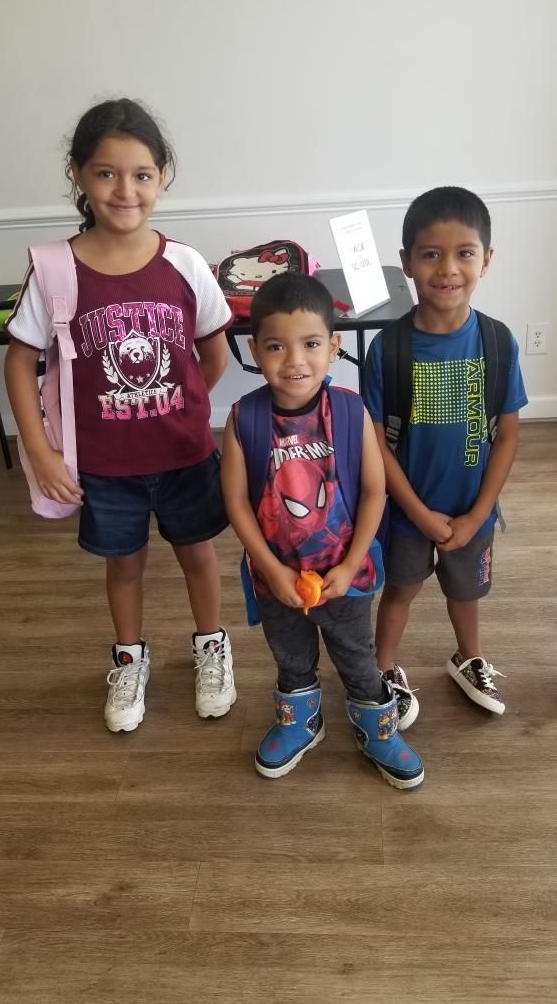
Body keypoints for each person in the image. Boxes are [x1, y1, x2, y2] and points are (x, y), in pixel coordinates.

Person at [4, 98, 236, 733]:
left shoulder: (186, 264)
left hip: (185, 453)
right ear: (79, 175)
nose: (124, 189)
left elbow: (212, 353)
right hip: (104, 466)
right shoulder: (54, 268)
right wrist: (43, 452)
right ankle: (129, 657)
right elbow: (20, 363)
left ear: (163, 177)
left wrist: (179, 401)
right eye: (106, 173)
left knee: (197, 553)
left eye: (141, 174)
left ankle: (211, 644)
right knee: (124, 563)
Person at [221, 273, 424, 789]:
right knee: (290, 653)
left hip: (346, 576)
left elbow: (376, 492)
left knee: (356, 652)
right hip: (276, 580)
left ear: (333, 347)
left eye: (311, 344)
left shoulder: (352, 411)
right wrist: (271, 570)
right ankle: (301, 721)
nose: (295, 360)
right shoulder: (244, 418)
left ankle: (374, 723)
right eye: (276, 346)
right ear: (254, 350)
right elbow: (237, 506)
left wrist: (351, 564)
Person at [362, 186, 527, 716]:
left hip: (472, 511)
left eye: (465, 253)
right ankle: (381, 669)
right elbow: (373, 446)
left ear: (487, 259)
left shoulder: (499, 342)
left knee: (466, 594)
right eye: (431, 254)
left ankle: (469, 657)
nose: (448, 268)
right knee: (401, 592)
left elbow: (508, 434)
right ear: (407, 262)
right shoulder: (387, 349)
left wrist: (478, 512)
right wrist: (418, 513)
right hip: (409, 512)